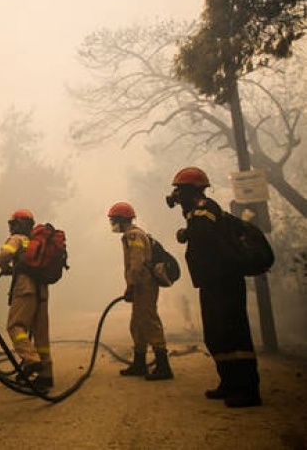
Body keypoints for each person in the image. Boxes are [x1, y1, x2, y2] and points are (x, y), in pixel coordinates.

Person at [166, 166, 261, 407]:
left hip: (224, 282)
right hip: (212, 282)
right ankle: (229, 383)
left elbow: (209, 239)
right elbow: (206, 237)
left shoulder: (204, 210)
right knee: (217, 334)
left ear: (192, 191)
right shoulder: (198, 214)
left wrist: (189, 230)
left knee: (233, 334)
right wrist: (187, 231)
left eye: (179, 191)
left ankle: (247, 389)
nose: (176, 196)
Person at [107, 202, 173, 381]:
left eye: (114, 220)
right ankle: (139, 362)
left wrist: (131, 285)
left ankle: (163, 366)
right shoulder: (132, 234)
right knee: (137, 323)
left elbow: (137, 263)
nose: (113, 224)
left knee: (149, 321)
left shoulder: (134, 235)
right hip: (141, 285)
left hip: (144, 284)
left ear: (122, 219)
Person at [0, 209, 53, 390]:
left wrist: (5, 267)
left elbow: (3, 256)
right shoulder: (36, 242)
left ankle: (31, 360)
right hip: (42, 291)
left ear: (15, 225)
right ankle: (46, 375)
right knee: (40, 334)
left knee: (15, 326)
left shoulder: (17, 239)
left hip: (25, 289)